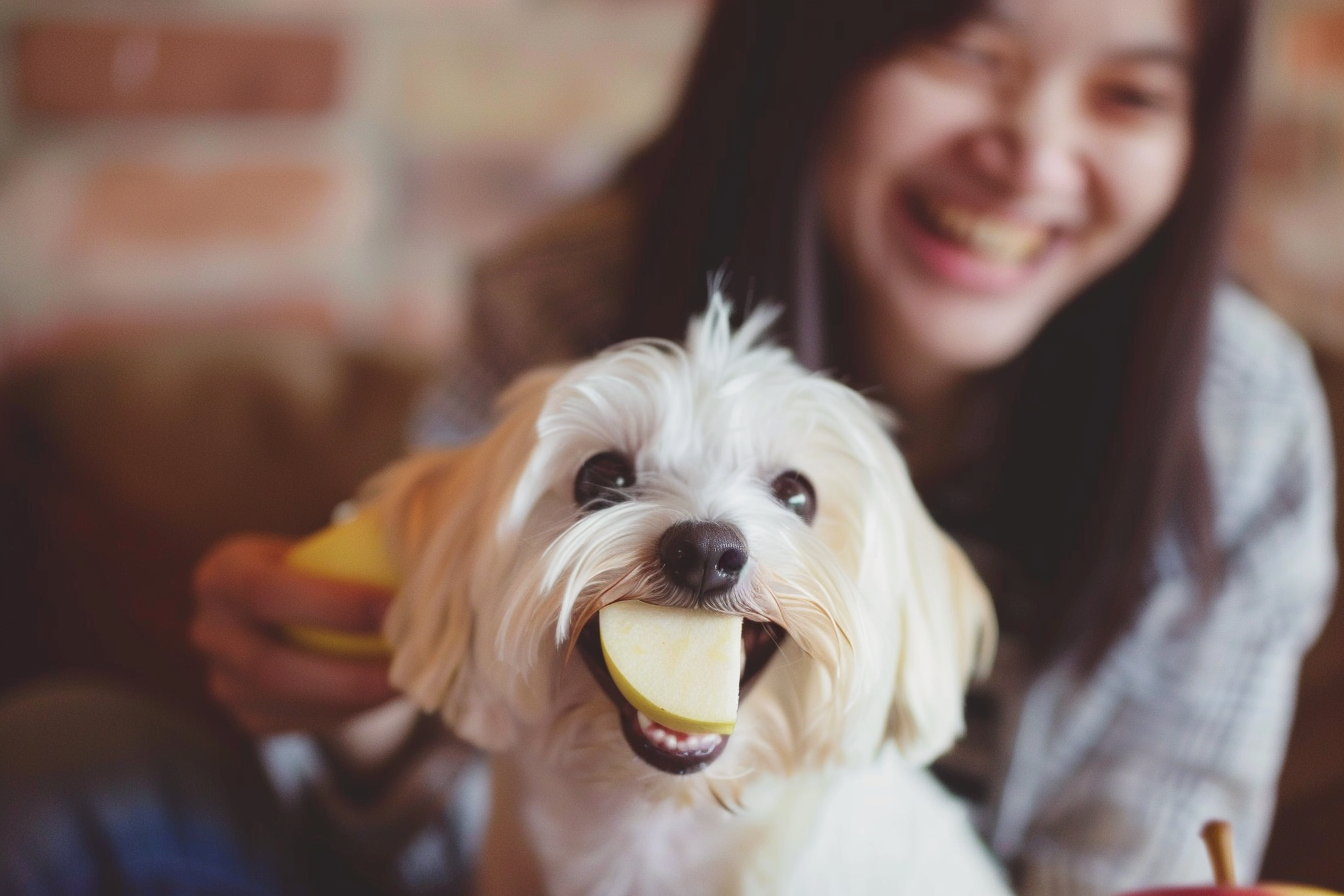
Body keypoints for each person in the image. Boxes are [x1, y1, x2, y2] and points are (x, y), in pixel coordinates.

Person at [1, 0, 1334, 893]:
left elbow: (1140, 858)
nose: (1032, 153)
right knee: (72, 758)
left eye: (1128, 93)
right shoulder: (567, 297)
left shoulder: (1239, 422)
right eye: (971, 52)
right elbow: (455, 702)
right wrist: (355, 704)